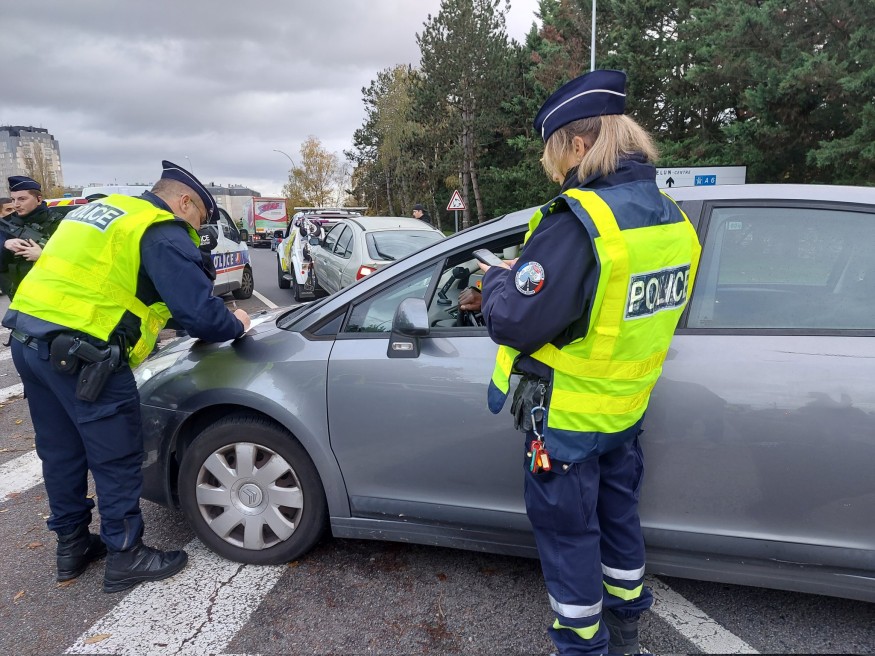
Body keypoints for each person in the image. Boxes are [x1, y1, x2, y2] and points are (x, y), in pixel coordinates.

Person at [477, 70, 701, 655]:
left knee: (569, 536)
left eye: (554, 155)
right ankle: (626, 633)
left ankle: (581, 645)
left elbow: (514, 321)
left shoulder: (580, 222)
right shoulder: (671, 218)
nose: (553, 170)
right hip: (625, 413)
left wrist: (497, 283)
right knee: (620, 522)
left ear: (578, 145)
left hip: (569, 421)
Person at [2, 160, 252, 593]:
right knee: (115, 454)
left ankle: (72, 547)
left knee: (61, 451)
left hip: (29, 343)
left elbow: (120, 287)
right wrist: (237, 323)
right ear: (184, 202)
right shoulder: (158, 228)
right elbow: (198, 313)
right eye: (200, 218)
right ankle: (126, 555)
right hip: (84, 357)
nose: (197, 229)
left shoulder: (102, 210)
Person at [0, 177, 65, 299]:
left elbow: (76, 261)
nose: (16, 204)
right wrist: (5, 245)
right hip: (21, 297)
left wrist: (43, 256)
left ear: (39, 199)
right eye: (13, 199)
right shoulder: (7, 224)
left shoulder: (60, 223)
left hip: (55, 296)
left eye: (22, 199)